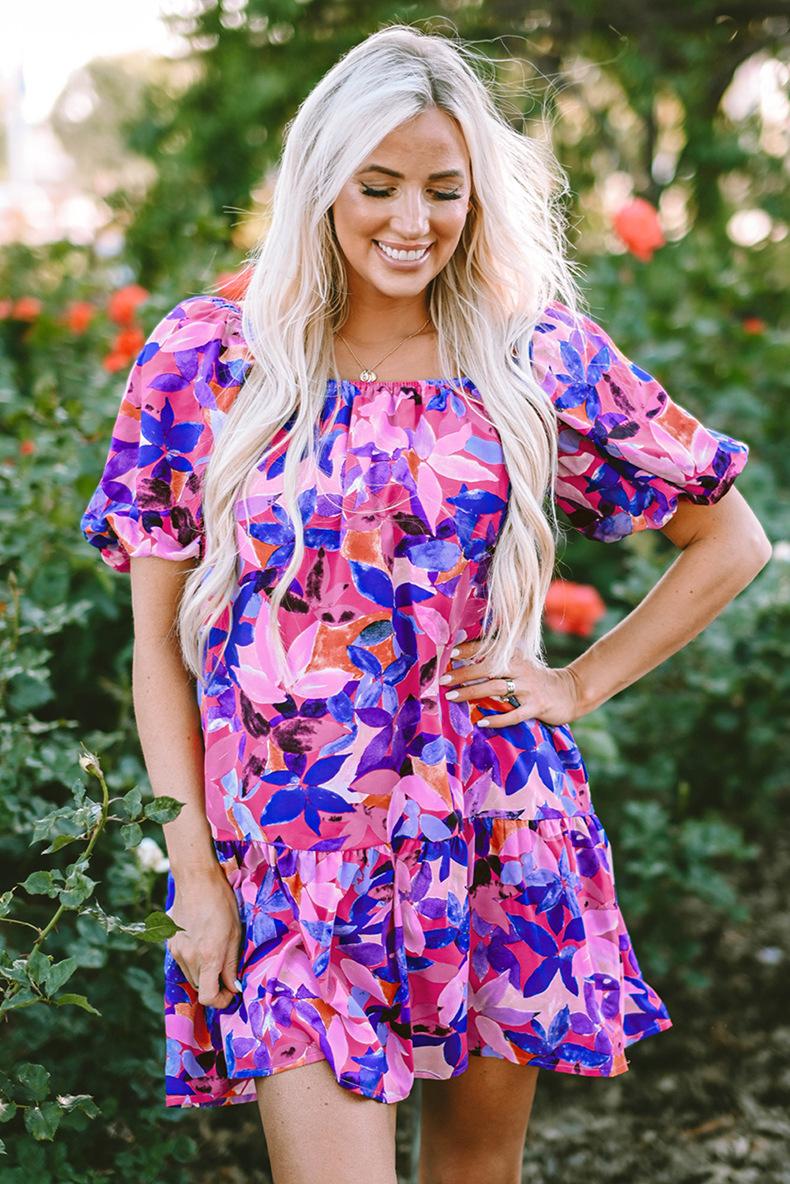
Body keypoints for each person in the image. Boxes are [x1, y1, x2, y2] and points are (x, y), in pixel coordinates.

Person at [79, 23, 771, 1184]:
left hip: (489, 826)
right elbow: (157, 645)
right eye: (379, 185)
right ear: (321, 184)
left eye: (444, 190)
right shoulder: (206, 361)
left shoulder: (533, 355)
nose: (414, 220)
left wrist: (577, 681)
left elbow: (730, 538)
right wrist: (191, 867)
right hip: (293, 854)